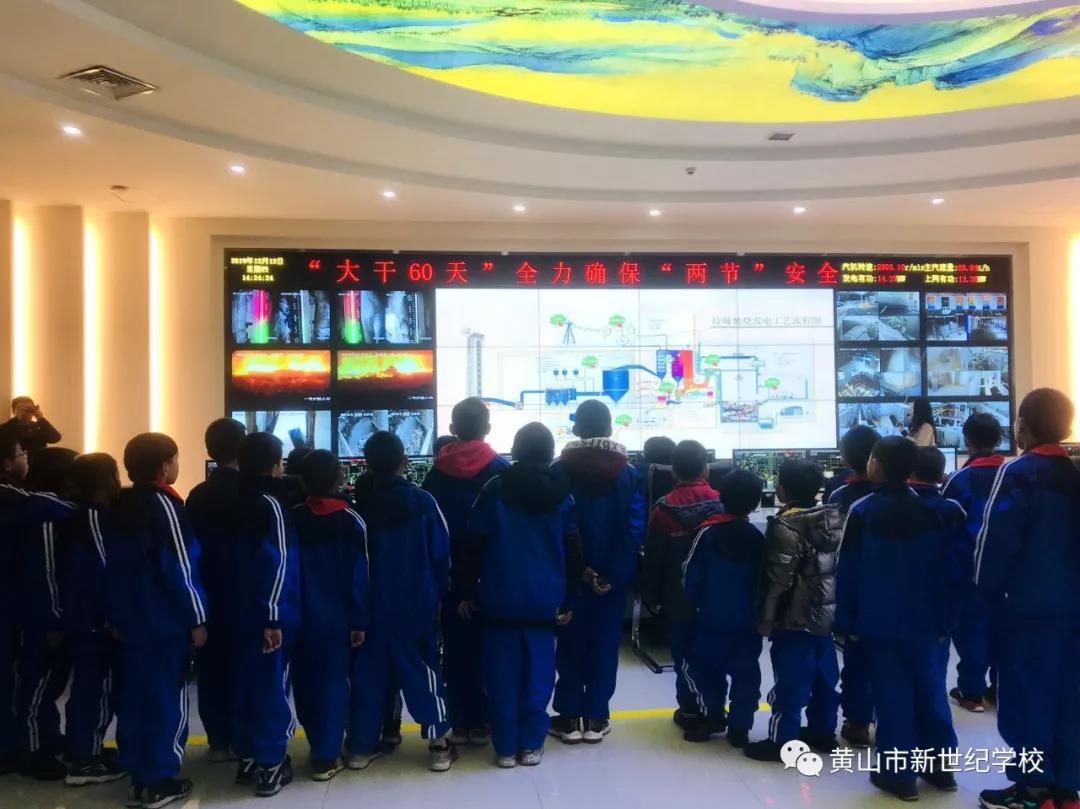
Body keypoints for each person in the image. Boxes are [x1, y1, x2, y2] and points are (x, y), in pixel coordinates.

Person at [835, 436, 964, 801]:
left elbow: (848, 571)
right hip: (929, 621)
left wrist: (846, 621)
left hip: (880, 622)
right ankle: (940, 768)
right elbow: (955, 570)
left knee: (892, 697)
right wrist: (949, 618)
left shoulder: (863, 511)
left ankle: (898, 775)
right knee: (931, 691)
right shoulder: (938, 511)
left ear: (875, 466)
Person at [974, 389, 1080, 809]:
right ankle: (1067, 789)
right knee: (1070, 698)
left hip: (1028, 609)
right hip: (1074, 610)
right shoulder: (1075, 473)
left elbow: (995, 541)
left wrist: (983, 594)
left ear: (1023, 425)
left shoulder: (1019, 472)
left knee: (1026, 698)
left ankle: (1033, 790)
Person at [456, 422, 583, 768]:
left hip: (499, 598)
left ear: (515, 450)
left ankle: (506, 748)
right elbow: (574, 550)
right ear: (551, 453)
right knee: (539, 677)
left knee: (500, 678)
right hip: (545, 601)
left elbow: (474, 544)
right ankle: (531, 744)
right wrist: (569, 598)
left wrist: (467, 590)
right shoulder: (563, 493)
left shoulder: (495, 488)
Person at [111, 433, 208, 808]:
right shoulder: (165, 506)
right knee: (168, 697)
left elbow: (110, 568)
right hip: (164, 622)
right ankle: (159, 778)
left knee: (137, 696)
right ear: (166, 466)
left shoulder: (121, 505)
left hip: (131, 622)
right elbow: (181, 567)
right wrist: (197, 617)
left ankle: (138, 773)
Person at [351, 431, 456, 772]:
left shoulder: (358, 508)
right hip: (415, 604)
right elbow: (442, 554)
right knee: (422, 672)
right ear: (404, 462)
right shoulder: (423, 503)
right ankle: (438, 744)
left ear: (366, 464)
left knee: (369, 677)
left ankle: (362, 747)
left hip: (369, 609)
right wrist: (439, 595)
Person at [550, 400, 645, 744]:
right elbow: (634, 529)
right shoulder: (629, 473)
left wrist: (580, 570)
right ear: (609, 429)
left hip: (571, 575)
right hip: (611, 580)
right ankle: (595, 717)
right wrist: (612, 574)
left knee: (570, 642)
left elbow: (558, 525)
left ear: (576, 429)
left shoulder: (559, 471)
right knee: (605, 644)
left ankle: (568, 717)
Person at [421, 398, 509, 745]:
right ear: (488, 428)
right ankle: (485, 720)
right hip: (490, 573)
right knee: (489, 649)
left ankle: (459, 720)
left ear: (452, 429)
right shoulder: (501, 470)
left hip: (447, 574)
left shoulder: (435, 473)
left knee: (455, 649)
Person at [744, 460, 842, 763]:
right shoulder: (831, 517)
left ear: (782, 490)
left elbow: (779, 579)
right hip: (825, 614)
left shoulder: (786, 526)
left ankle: (782, 740)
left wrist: (767, 617)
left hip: (794, 618)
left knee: (790, 682)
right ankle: (823, 731)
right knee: (825, 678)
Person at [0, 425, 74, 777]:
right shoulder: (35, 509)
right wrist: (55, 618)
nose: (25, 458)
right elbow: (46, 571)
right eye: (21, 453)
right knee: (33, 685)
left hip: (19, 611)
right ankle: (29, 751)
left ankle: (42, 738)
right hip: (31, 615)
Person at [291, 450, 369, 781]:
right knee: (333, 685)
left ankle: (316, 743)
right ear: (340, 478)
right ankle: (326, 755)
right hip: (336, 619)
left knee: (305, 683)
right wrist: (359, 620)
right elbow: (358, 575)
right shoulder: (351, 520)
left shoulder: (293, 517)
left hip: (297, 618)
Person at [230, 432, 300, 797]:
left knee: (242, 685)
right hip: (265, 615)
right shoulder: (272, 505)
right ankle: (271, 764)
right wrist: (273, 616)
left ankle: (247, 757)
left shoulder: (231, 499)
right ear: (275, 466)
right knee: (270, 687)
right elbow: (279, 560)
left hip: (232, 612)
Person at [640, 439, 725, 733]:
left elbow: (654, 558)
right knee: (714, 653)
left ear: (674, 472)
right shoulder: (722, 502)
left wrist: (652, 596)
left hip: (679, 595)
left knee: (684, 654)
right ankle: (716, 707)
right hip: (716, 594)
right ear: (706, 469)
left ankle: (691, 710)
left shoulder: (663, 509)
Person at [681, 469, 766, 748]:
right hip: (747, 623)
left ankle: (713, 715)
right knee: (746, 676)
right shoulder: (758, 538)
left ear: (721, 496)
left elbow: (690, 575)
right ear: (755, 503)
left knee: (703, 670)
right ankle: (741, 727)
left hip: (710, 618)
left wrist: (692, 604)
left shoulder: (707, 534)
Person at [59, 453, 125, 786]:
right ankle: (86, 758)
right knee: (97, 689)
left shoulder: (73, 516)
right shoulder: (94, 519)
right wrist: (115, 614)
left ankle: (81, 748)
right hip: (96, 621)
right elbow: (105, 569)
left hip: (82, 617)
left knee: (86, 686)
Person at [185, 418, 246, 763]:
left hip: (208, 595)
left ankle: (218, 742)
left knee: (211, 670)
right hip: (244, 596)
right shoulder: (251, 492)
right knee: (243, 668)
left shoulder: (197, 495)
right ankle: (241, 739)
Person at [941, 413, 1005, 713]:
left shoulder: (960, 479)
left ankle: (971, 692)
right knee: (1003, 631)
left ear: (966, 441)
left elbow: (945, 523)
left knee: (972, 632)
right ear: (1000, 439)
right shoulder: (1013, 474)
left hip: (969, 569)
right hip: (1008, 570)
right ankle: (1000, 688)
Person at [827, 424, 880, 748]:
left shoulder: (840, 497)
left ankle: (858, 721)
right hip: (895, 594)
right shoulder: (903, 497)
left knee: (856, 660)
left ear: (845, 458)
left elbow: (831, 546)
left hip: (854, 592)